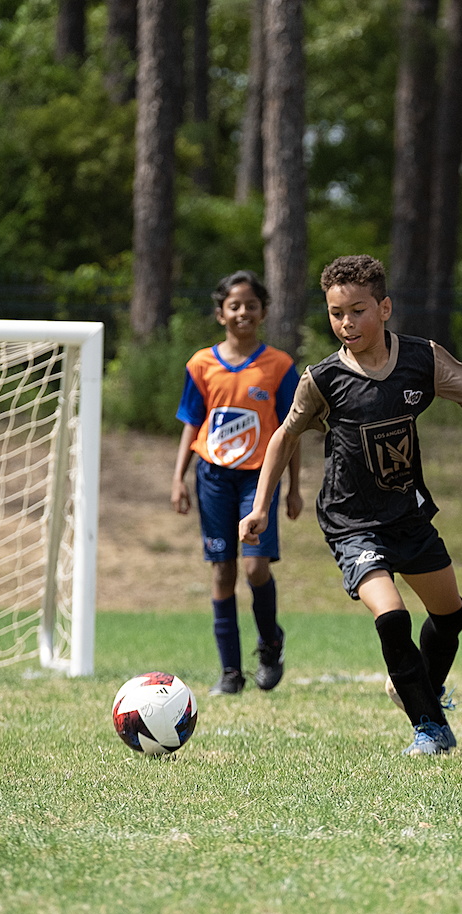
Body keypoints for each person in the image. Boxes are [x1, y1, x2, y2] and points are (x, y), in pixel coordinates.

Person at [240, 255, 462, 756]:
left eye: (358, 311)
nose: (346, 323)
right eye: (336, 313)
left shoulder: (420, 358)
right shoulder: (322, 379)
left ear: (384, 308)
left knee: (451, 616)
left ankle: (414, 689)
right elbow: (283, 436)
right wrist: (261, 507)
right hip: (350, 521)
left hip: (407, 514)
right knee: (391, 616)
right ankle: (429, 726)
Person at [172, 270, 302, 696]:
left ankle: (270, 644)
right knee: (223, 571)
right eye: (234, 304)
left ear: (262, 311)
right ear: (220, 313)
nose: (242, 311)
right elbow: (192, 424)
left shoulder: (280, 366)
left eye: (250, 304)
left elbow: (291, 430)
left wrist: (295, 488)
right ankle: (230, 673)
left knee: (254, 567)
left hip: (259, 480)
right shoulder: (201, 364)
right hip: (211, 476)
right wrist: (179, 479)